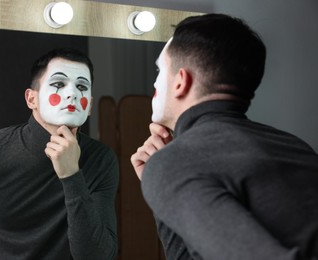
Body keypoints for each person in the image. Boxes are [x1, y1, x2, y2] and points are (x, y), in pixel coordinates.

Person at [131, 13, 318, 260]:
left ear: (180, 82)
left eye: (160, 69)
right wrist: (165, 192)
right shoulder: (295, 146)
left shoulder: (181, 162)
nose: (155, 82)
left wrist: (165, 171)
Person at [0, 48, 119, 260]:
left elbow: (97, 256)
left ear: (89, 105)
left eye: (82, 86)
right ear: (31, 99)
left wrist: (72, 175)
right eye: (58, 84)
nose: (72, 93)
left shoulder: (101, 159)